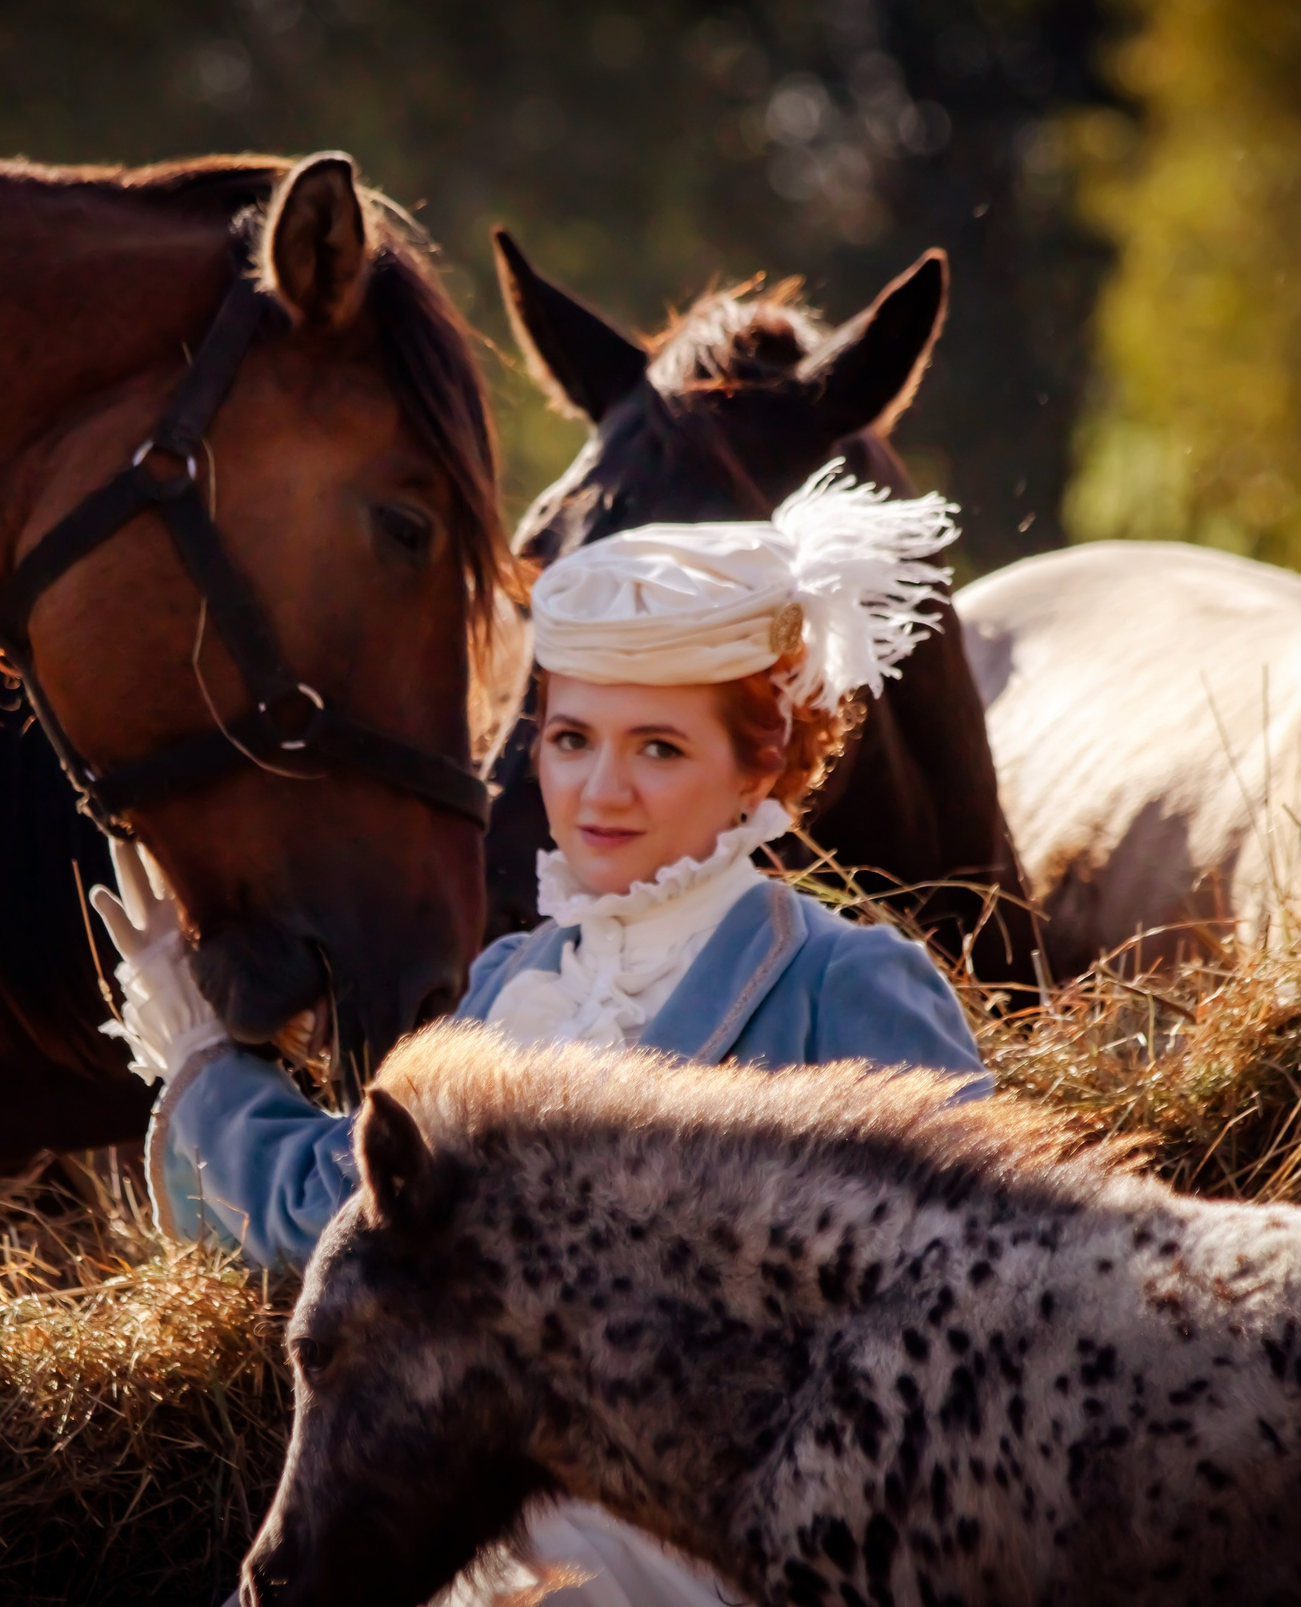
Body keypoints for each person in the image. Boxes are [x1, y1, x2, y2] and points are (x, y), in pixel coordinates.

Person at [95, 465, 989, 1607]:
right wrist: (201, 1056)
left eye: (658, 747)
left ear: (759, 763)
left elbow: (968, 1311)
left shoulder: (844, 982)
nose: (599, 790)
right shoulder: (516, 986)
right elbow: (334, 1209)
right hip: (468, 1520)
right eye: (571, 739)